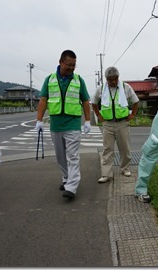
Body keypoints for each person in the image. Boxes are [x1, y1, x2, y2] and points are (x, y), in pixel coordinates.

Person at [36, 50, 91, 200]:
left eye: (74, 65)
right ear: (61, 62)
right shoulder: (50, 79)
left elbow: (86, 101)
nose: (71, 68)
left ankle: (72, 186)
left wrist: (87, 121)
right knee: (60, 156)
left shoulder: (79, 80)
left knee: (72, 156)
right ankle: (66, 178)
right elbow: (43, 100)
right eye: (69, 65)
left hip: (73, 124)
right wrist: (39, 120)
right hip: (56, 125)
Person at [91, 67, 139, 183]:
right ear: (106, 79)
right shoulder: (101, 89)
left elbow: (136, 101)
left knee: (124, 148)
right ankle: (106, 174)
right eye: (110, 79)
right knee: (107, 149)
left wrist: (132, 115)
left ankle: (125, 168)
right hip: (107, 124)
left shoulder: (125, 87)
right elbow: (94, 102)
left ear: (118, 77)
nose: (113, 81)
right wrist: (99, 115)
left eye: (115, 79)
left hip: (122, 123)